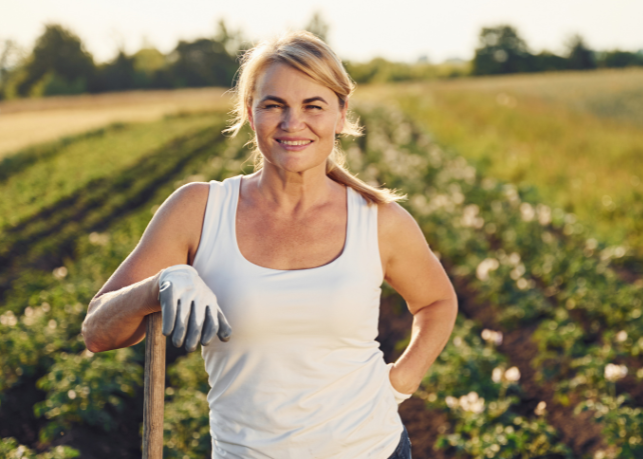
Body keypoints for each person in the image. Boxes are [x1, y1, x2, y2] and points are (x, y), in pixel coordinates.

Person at [81, 31, 458, 458]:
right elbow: (97, 332)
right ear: (249, 112)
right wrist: (157, 286)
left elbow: (437, 302)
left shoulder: (378, 221)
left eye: (313, 106)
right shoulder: (198, 211)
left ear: (340, 113)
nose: (292, 123)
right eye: (273, 105)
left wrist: (400, 383)